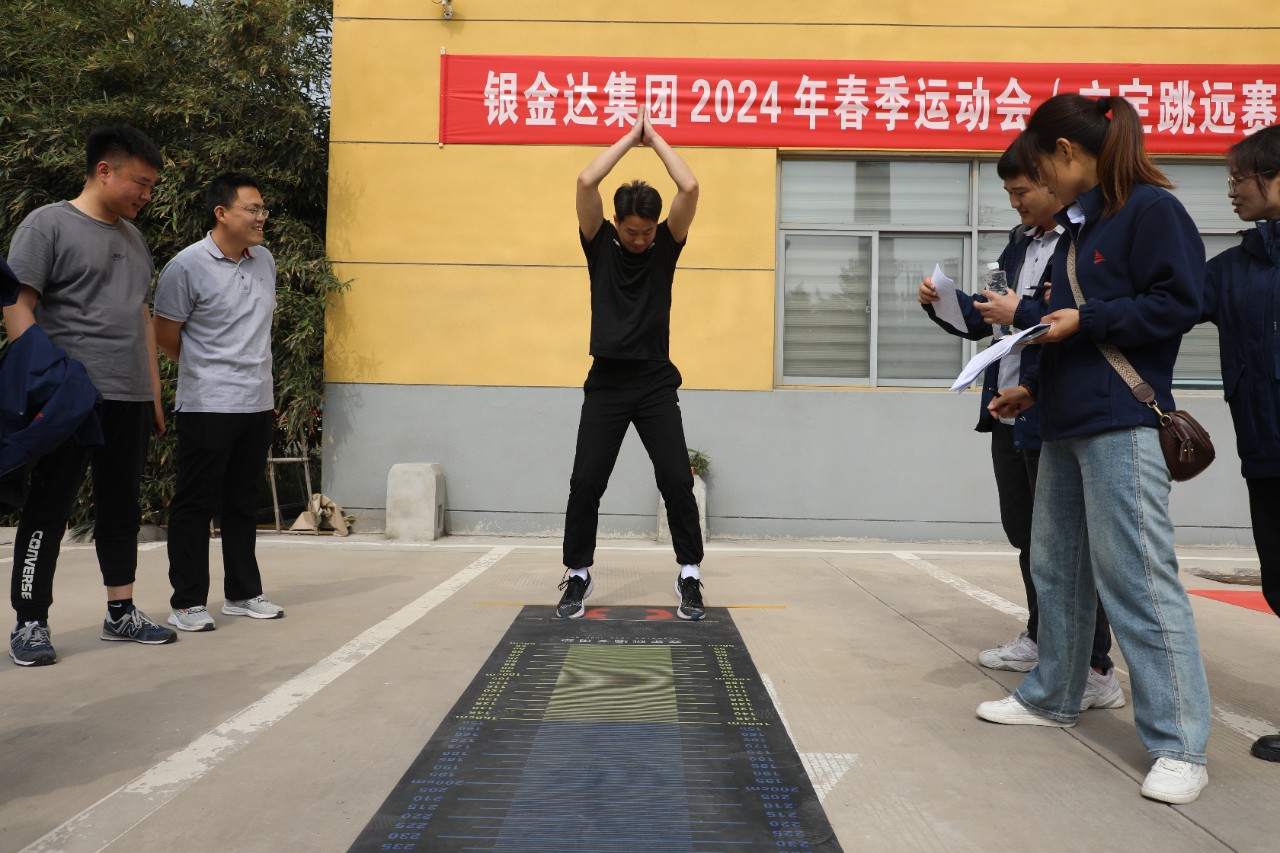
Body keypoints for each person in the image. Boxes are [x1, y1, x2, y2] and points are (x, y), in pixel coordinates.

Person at [976, 95, 1212, 805]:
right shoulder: (1080, 224)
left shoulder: (1150, 210)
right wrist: (1031, 389)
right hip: (1061, 421)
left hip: (1121, 421)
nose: (1039, 186)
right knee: (1058, 570)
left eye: (1040, 168)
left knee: (1137, 578)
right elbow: (1058, 327)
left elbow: (1181, 302)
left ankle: (1180, 745)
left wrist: (1089, 318)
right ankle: (1053, 693)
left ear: (1067, 153)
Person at [919, 147, 1120, 711]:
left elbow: (1058, 323)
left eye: (1022, 192)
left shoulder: (1080, 243)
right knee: (1028, 535)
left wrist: (1021, 317)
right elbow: (993, 319)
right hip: (1007, 407)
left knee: (1067, 546)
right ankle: (1042, 635)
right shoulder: (1020, 242)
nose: (1015, 203)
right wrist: (945, 302)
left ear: (1055, 181)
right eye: (1009, 194)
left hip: (1049, 406)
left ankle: (1095, 665)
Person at [3, 125, 177, 666]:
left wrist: (153, 393)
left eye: (151, 187)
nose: (146, 195)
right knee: (49, 507)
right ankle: (30, 620)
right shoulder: (48, 224)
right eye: (140, 183)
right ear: (104, 170)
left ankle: (120, 612)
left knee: (121, 506)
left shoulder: (135, 238)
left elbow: (141, 317)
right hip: (70, 396)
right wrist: (44, 379)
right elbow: (16, 303)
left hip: (128, 394)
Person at [557, 108, 705, 621]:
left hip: (655, 382)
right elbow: (586, 181)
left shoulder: (666, 247)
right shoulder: (599, 243)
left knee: (676, 480)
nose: (640, 240)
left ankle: (690, 574)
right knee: (586, 482)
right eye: (632, 231)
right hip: (607, 381)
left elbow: (689, 188)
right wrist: (628, 138)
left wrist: (654, 138)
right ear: (616, 223)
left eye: (646, 232)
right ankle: (578, 574)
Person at [153, 173, 284, 632]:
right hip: (208, 403)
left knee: (242, 503)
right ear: (222, 213)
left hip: (257, 401)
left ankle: (243, 594)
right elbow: (166, 334)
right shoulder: (186, 266)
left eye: (263, 209)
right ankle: (187, 602)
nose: (261, 217)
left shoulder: (264, 260)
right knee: (195, 504)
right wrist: (206, 369)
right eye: (252, 209)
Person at [1200, 124, 1280, 763]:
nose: (1231, 189)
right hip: (1265, 452)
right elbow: (1163, 306)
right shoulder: (1232, 269)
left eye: (1240, 177)